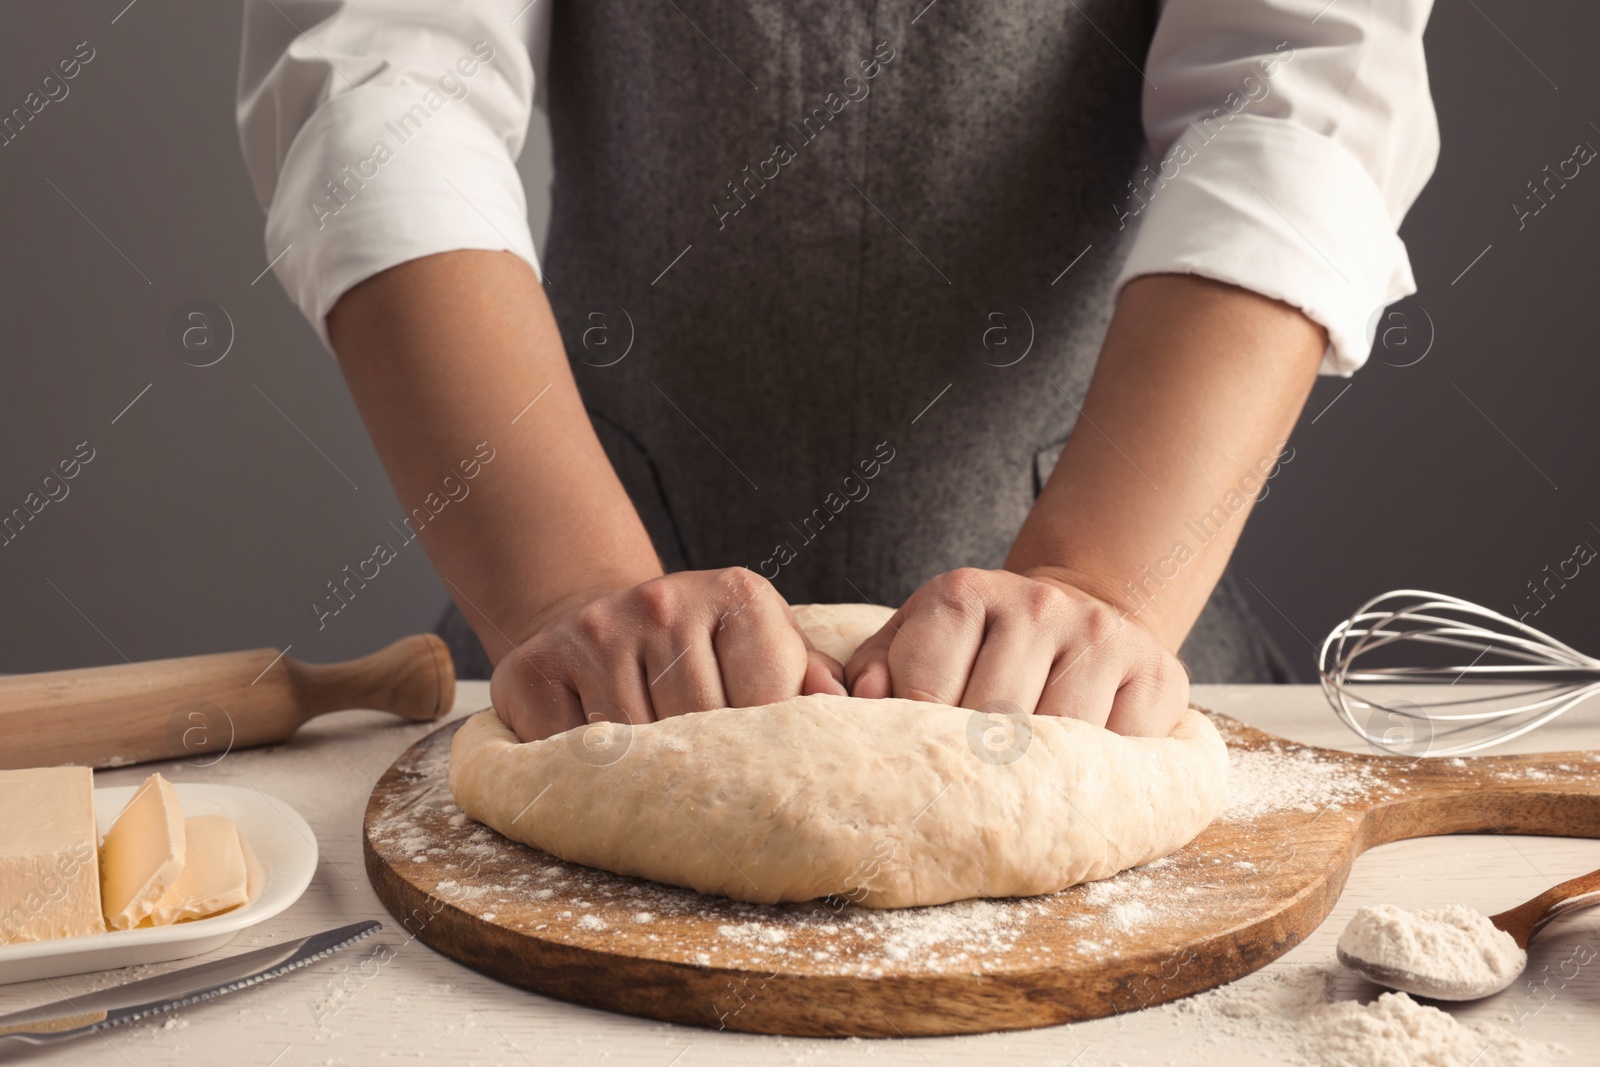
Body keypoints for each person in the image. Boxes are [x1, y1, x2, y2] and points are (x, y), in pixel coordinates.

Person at [237, 0, 1437, 743]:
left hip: (1123, 668)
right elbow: (383, 82)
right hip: (576, 674)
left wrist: (1102, 589)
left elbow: (1293, 82)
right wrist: (564, 590)